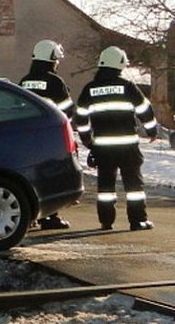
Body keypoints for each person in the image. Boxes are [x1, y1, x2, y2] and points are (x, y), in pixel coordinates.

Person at [76, 46, 158, 231]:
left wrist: (87, 140)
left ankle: (106, 221)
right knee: (133, 186)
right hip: (127, 146)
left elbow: (80, 117)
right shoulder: (127, 86)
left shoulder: (90, 89)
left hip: (103, 147)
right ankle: (137, 221)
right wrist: (152, 131)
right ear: (119, 66)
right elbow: (145, 110)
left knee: (105, 186)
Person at [19, 39, 74, 230]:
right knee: (49, 176)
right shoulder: (54, 81)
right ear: (51, 59)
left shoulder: (25, 81)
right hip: (48, 138)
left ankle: (30, 217)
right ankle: (49, 217)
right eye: (56, 60)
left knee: (29, 176)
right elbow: (68, 111)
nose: (57, 63)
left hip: (26, 138)